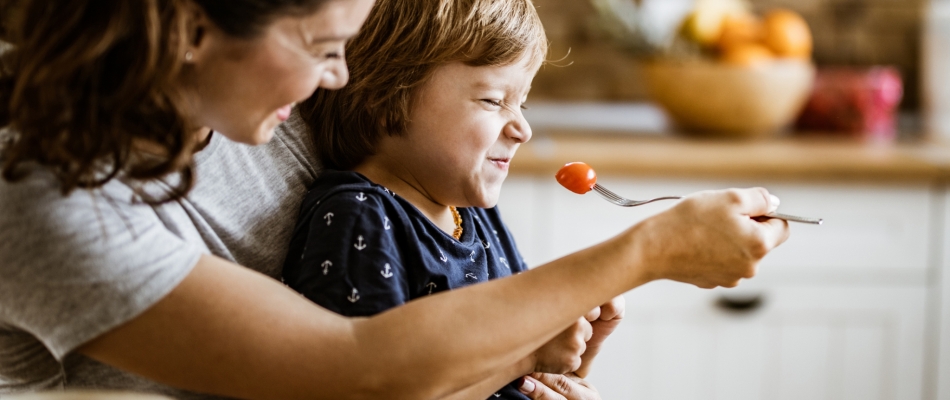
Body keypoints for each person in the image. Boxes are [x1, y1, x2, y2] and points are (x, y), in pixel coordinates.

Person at [0, 0, 790, 399]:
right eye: (322, 47)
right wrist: (644, 251)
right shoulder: (41, 204)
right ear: (190, 30)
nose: (340, 78)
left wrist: (524, 355)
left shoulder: (269, 105)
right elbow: (358, 371)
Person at [282, 1, 619, 398]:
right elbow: (373, 390)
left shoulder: (477, 218)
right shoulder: (359, 219)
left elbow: (530, 376)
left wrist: (580, 346)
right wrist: (525, 354)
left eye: (521, 103)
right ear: (387, 95)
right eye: (494, 100)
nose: (522, 129)